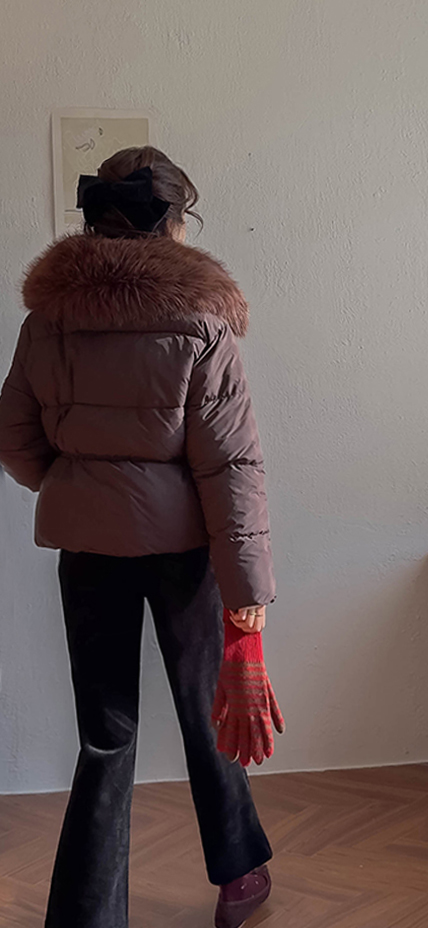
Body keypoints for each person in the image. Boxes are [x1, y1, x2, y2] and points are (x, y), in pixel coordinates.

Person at [0, 146, 281, 928]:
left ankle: (87, 915)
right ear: (174, 223)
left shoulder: (48, 319)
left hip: (88, 552)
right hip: (184, 553)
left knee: (105, 733)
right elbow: (231, 466)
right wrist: (249, 591)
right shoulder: (202, 323)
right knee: (208, 710)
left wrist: (78, 489)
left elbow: (13, 438)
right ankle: (239, 875)